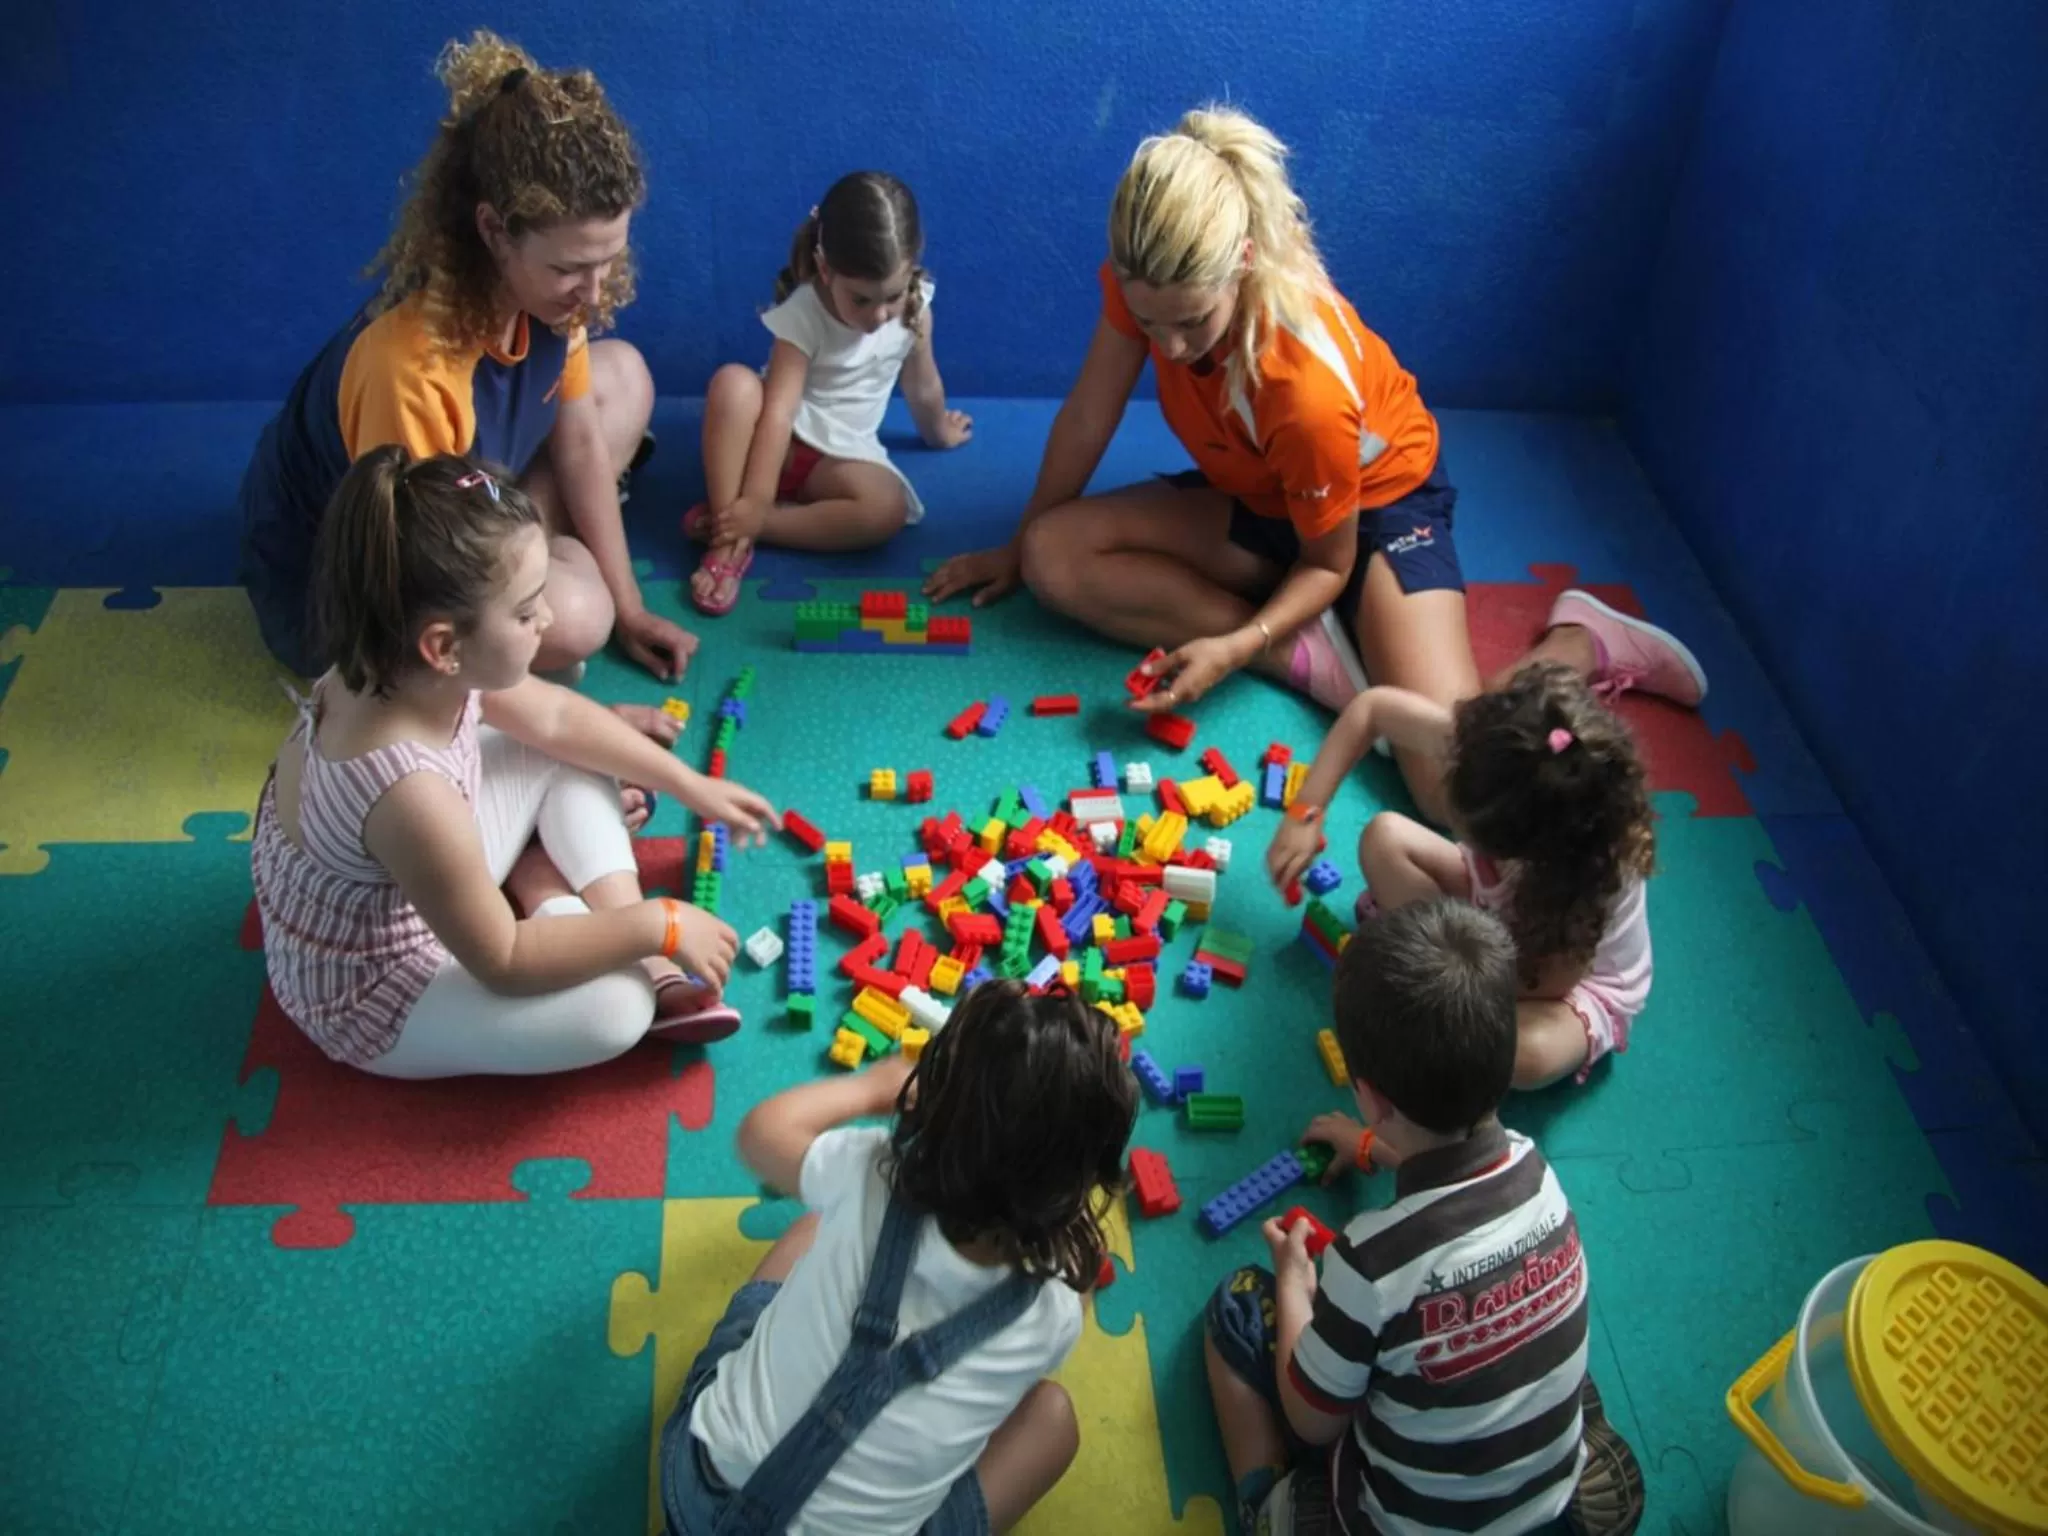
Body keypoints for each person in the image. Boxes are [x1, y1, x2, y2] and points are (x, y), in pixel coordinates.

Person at [927, 107, 1708, 823]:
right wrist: (1014, 544)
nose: (1166, 348)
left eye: (1191, 323)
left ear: (1241, 261)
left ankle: (1579, 639)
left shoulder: (1301, 382)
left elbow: (1328, 562)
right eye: (1147, 320)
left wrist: (1233, 650)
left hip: (1375, 514)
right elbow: (1088, 415)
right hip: (1264, 491)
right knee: (1053, 555)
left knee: (1455, 789)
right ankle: (1309, 655)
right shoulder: (1153, 288)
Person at [250, 449, 776, 1078]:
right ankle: (561, 902)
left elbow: (555, 719)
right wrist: (657, 924)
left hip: (420, 881)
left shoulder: (401, 663)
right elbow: (505, 960)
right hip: (380, 991)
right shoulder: (409, 793)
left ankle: (565, 894)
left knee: (567, 745)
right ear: (444, 647)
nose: (548, 620)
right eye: (527, 612)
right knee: (617, 1010)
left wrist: (692, 786)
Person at [238, 29, 693, 733]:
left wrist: (632, 606)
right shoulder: (410, 370)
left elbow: (577, 446)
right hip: (351, 581)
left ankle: (535, 569)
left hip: (462, 493)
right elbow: (414, 602)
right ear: (494, 231)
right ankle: (536, 597)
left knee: (623, 378)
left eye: (609, 260)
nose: (594, 291)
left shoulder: (550, 298)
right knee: (575, 620)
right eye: (571, 268)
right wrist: (575, 724)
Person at [1204, 901, 1645, 1536]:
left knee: (1240, 1309)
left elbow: (1312, 1418)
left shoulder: (1370, 1260)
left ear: (1369, 1095)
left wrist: (1296, 1279)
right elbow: (1450, 1163)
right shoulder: (1538, 1173)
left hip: (1405, 1523)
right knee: (1538, 1365)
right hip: (1550, 1513)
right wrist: (1368, 1145)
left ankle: (1264, 1503)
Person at [661, 981, 1138, 1533]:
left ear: (937, 1101)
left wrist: (870, 1087)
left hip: (696, 1490)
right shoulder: (1053, 1311)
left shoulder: (868, 1172)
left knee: (811, 1229)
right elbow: (1067, 1296)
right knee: (1053, 1419)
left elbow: (760, 1134)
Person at [1268, 663, 1655, 1088]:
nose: (1449, 817)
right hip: (1496, 906)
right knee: (1385, 838)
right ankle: (1448, 955)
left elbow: (1543, 984)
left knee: (1522, 1057)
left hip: (1562, 984)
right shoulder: (1497, 750)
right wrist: (1306, 814)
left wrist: (1445, 985)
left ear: (1520, 847)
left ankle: (1449, 965)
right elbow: (1373, 709)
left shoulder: (1586, 885)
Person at [687, 172, 972, 615]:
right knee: (732, 385)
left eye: (891, 296)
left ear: (913, 265)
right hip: (771, 445)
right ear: (825, 269)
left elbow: (923, 384)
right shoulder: (806, 311)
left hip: (838, 460)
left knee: (886, 510)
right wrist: (757, 496)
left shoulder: (915, 312)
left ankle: (754, 527)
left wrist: (939, 432)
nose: (879, 315)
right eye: (860, 300)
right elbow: (778, 412)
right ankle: (728, 539)